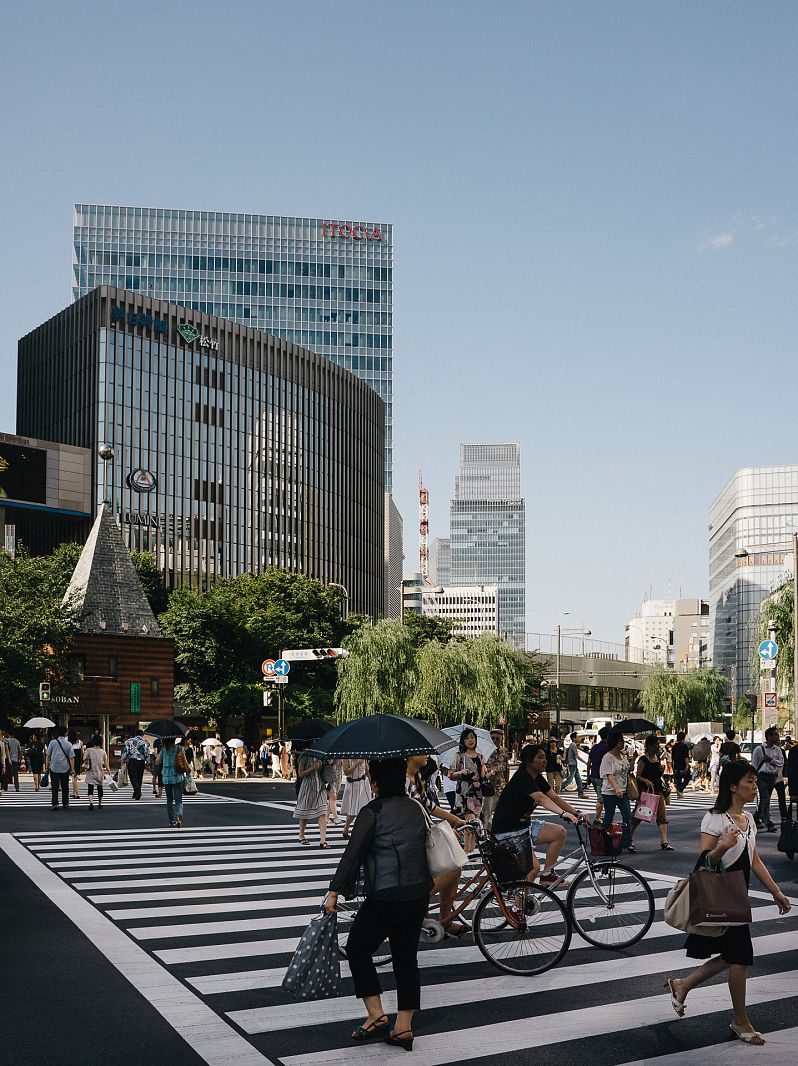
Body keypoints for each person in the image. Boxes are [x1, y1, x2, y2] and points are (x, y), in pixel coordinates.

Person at [665, 761, 791, 1044]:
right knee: (740, 957)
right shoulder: (715, 818)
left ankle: (683, 985)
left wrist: (775, 892)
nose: (755, 786)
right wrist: (723, 845)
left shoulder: (747, 818)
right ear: (733, 786)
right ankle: (740, 1020)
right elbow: (703, 860)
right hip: (720, 892)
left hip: (736, 894)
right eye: (750, 781)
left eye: (756, 781)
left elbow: (755, 860)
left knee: (734, 956)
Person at [325, 758, 431, 1052]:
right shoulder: (416, 807)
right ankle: (403, 1027)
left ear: (375, 782)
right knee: (406, 959)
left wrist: (334, 891)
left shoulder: (372, 811)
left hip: (386, 895)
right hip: (418, 893)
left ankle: (376, 1014)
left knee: (358, 949)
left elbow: (353, 853)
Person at [492, 743, 584, 886]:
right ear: (529, 761)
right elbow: (541, 798)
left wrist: (576, 812)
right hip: (508, 831)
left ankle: (548, 874)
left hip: (523, 826)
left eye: (545, 757)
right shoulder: (522, 777)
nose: (545, 760)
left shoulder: (537, 777)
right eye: (540, 757)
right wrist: (563, 814)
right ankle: (518, 908)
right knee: (532, 868)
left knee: (559, 832)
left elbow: (554, 797)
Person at [405, 755, 469, 932]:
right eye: (423, 752)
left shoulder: (416, 777)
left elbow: (429, 806)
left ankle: (444, 920)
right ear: (410, 755)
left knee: (454, 870)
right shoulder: (402, 782)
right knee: (453, 869)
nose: (427, 756)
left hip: (421, 837)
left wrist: (456, 821)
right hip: (412, 841)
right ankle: (413, 905)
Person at [630, 735, 673, 850]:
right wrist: (646, 780)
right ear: (649, 746)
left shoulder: (657, 758)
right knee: (638, 815)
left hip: (658, 789)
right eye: (656, 745)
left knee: (662, 815)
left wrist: (662, 771)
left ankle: (665, 841)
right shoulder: (643, 760)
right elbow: (637, 775)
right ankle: (628, 837)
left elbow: (658, 775)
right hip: (646, 791)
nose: (658, 747)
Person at [600, 729, 635, 853]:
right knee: (609, 816)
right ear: (615, 742)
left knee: (627, 815)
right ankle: (603, 840)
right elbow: (609, 775)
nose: (623, 743)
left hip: (624, 790)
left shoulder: (623, 755)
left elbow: (627, 770)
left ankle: (627, 842)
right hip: (610, 792)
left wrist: (634, 759)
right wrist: (616, 789)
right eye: (621, 741)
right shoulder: (607, 757)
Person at [751, 726, 786, 831]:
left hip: (772, 777)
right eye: (776, 735)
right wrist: (754, 778)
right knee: (765, 799)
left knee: (764, 800)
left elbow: (781, 763)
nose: (778, 737)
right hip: (762, 777)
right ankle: (768, 822)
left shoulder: (778, 750)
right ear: (769, 736)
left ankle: (755, 818)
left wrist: (771, 760)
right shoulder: (759, 749)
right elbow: (754, 764)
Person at [293, 750, 329, 846]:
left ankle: (323, 840)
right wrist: (312, 768)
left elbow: (324, 771)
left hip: (320, 787)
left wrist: (328, 762)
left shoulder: (321, 756)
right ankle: (301, 835)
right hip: (308, 787)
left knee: (323, 812)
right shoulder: (304, 757)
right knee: (305, 813)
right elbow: (300, 774)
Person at [449, 728, 485, 821]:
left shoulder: (480, 757)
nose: (470, 740)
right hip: (464, 792)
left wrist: (491, 772)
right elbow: (451, 774)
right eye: (467, 738)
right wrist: (460, 772)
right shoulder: (459, 756)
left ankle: (470, 836)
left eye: (472, 737)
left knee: (477, 824)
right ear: (463, 741)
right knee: (471, 823)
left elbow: (482, 776)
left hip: (478, 792)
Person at [483, 728, 510, 831]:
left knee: (502, 812)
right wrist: (493, 770)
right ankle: (487, 834)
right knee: (487, 813)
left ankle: (500, 831)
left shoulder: (504, 751)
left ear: (501, 739)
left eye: (497, 739)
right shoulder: (484, 752)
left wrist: (507, 784)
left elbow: (507, 768)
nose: (495, 741)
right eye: (492, 738)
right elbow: (481, 769)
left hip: (501, 786)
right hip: (488, 786)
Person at [157, 736, 186, 827]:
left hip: (166, 776)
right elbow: (184, 761)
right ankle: (178, 815)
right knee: (178, 800)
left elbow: (158, 761)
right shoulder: (179, 748)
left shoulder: (164, 749)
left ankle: (172, 820)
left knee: (169, 799)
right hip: (177, 775)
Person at [340, 758, 371, 838]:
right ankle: (346, 827)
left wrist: (371, 782)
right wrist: (356, 764)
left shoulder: (363, 754)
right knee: (353, 810)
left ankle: (362, 831)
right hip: (353, 784)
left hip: (364, 783)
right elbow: (346, 772)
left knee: (366, 808)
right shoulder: (346, 757)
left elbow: (366, 768)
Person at [45, 725, 75, 810]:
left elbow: (48, 756)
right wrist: (72, 769)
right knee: (65, 786)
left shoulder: (52, 742)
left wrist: (47, 767)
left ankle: (55, 803)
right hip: (65, 768)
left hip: (54, 767)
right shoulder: (69, 744)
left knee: (55, 786)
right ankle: (65, 803)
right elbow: (71, 758)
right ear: (66, 733)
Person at [586, 726, 611, 823]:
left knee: (601, 797)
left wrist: (588, 776)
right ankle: (597, 818)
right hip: (602, 776)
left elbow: (589, 762)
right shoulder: (608, 748)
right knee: (601, 799)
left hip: (593, 776)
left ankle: (599, 816)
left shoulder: (595, 747)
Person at [121, 729, 150, 800]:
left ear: (135, 734)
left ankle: (137, 791)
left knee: (132, 776)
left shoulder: (129, 741)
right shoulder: (145, 743)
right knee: (139, 777)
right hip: (141, 761)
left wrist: (122, 760)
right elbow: (147, 753)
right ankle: (136, 792)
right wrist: (148, 762)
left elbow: (126, 751)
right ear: (142, 735)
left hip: (132, 760)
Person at [84, 733, 110, 810]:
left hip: (91, 772)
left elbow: (84, 759)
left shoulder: (89, 750)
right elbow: (106, 763)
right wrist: (109, 772)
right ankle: (100, 803)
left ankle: (91, 802)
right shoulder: (103, 752)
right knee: (100, 788)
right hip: (100, 772)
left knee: (90, 788)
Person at [562, 731, 586, 797]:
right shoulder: (573, 745)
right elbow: (577, 756)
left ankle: (581, 793)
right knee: (569, 780)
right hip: (572, 764)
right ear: (574, 738)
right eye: (577, 737)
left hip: (573, 764)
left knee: (578, 779)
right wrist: (585, 762)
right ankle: (558, 788)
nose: (579, 739)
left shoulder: (572, 745)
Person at [68, 727, 83, 799]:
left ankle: (77, 793)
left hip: (70, 760)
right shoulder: (80, 742)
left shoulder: (68, 743)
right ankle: (74, 792)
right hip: (77, 761)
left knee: (73, 778)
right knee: (74, 777)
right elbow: (82, 753)